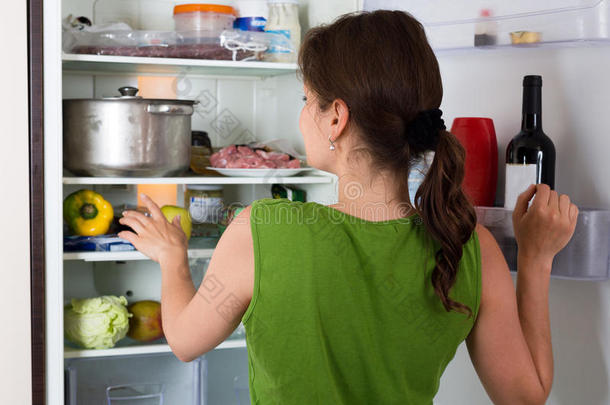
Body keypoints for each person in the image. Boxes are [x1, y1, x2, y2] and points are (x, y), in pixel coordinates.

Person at [118, 10, 579, 405]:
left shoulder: (263, 228)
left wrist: (172, 259)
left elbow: (182, 339)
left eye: (307, 101)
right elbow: (525, 396)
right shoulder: (468, 243)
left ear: (336, 117)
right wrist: (536, 259)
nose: (303, 115)